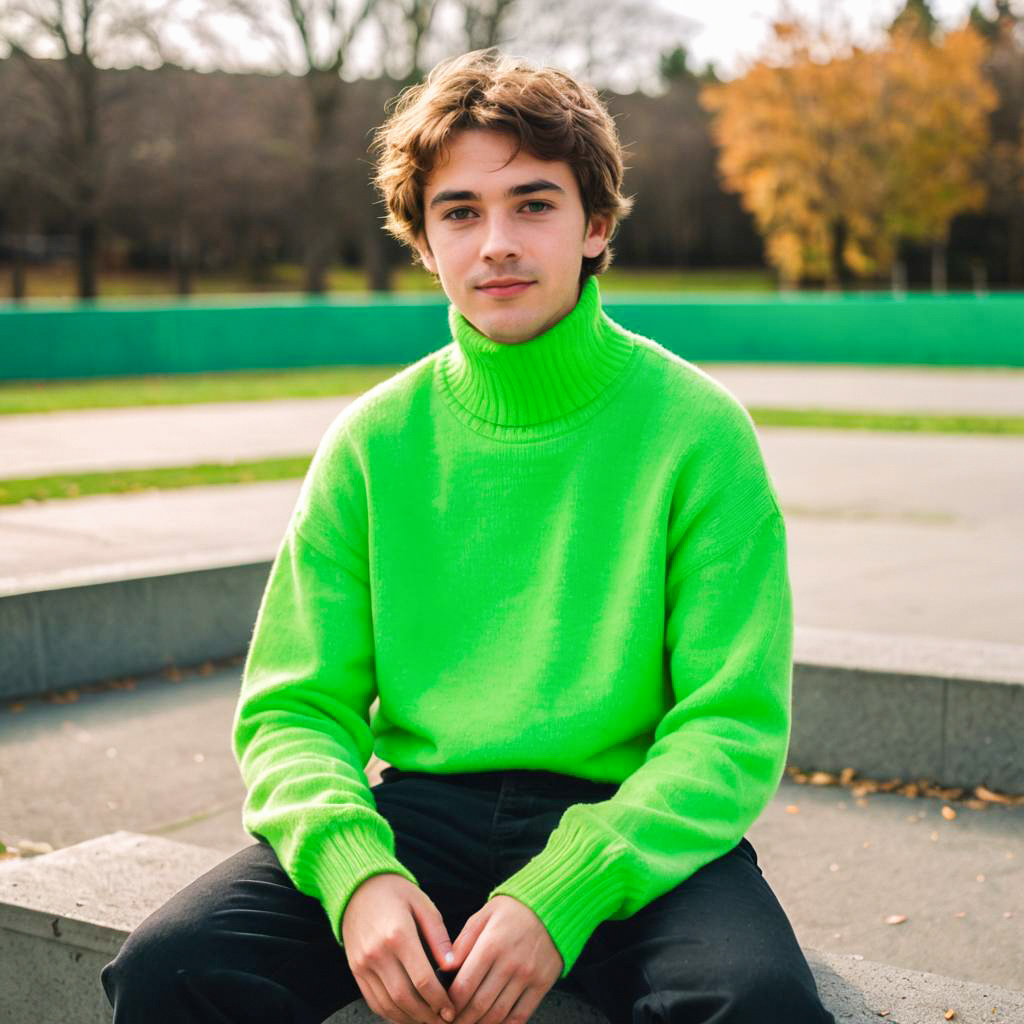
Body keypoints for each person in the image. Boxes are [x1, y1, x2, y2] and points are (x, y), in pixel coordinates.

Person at [100, 48, 836, 1024]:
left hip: (632, 818)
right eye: (460, 212)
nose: (496, 242)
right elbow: (293, 710)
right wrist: (355, 871)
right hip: (421, 815)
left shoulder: (697, 431)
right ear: (423, 240)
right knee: (170, 968)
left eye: (533, 204)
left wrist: (566, 889)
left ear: (596, 225)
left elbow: (729, 725)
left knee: (756, 1003)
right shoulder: (373, 441)